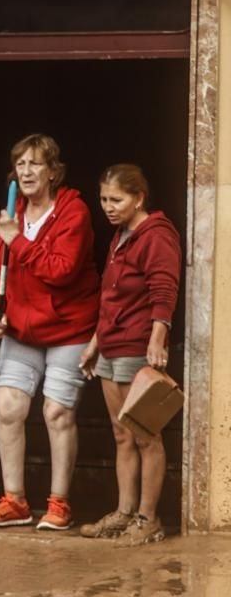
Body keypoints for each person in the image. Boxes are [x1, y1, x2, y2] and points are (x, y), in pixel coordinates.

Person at [0, 134, 100, 531]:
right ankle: (15, 502)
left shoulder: (73, 212)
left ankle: (59, 504)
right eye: (20, 164)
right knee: (8, 407)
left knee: (56, 412)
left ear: (53, 172)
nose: (26, 171)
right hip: (21, 329)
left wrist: (19, 240)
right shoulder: (11, 216)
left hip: (69, 328)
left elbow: (61, 270)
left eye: (35, 164)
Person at [77, 164, 181, 545]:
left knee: (145, 436)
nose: (108, 206)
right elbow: (110, 298)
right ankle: (124, 512)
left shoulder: (156, 236)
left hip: (137, 345)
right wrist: (94, 343)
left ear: (139, 198)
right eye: (104, 198)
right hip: (111, 344)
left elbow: (164, 290)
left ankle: (148, 518)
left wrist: (158, 339)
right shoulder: (120, 237)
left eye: (117, 199)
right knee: (122, 435)